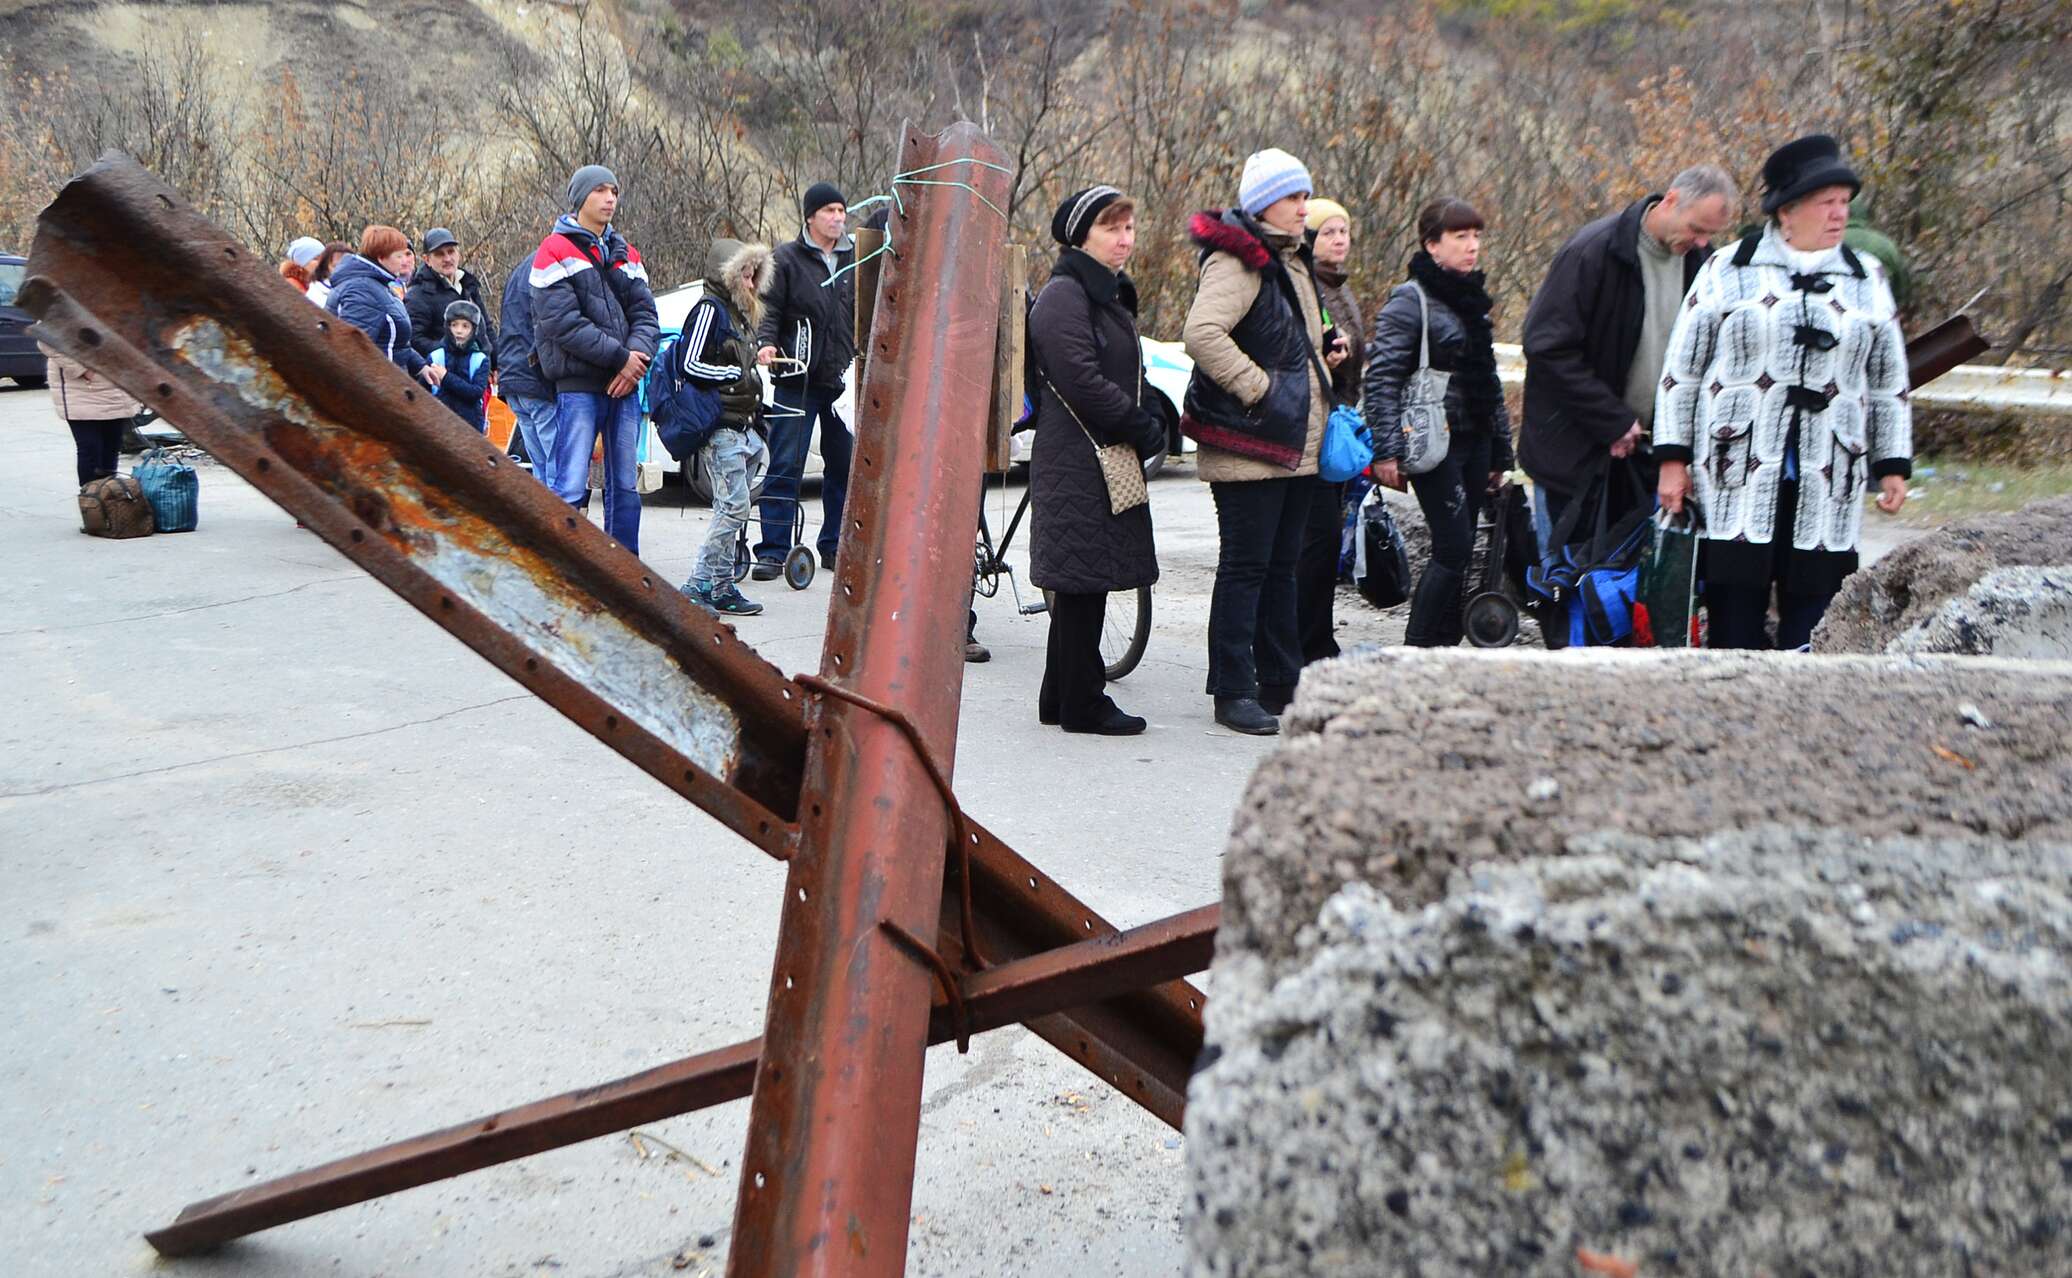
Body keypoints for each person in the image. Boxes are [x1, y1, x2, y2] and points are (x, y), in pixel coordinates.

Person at [1655, 134, 1911, 650]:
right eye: (1827, 202)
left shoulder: (1867, 278)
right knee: (1734, 611)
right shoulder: (1728, 268)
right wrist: (1672, 460)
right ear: (1787, 212)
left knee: (1815, 612)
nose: (1840, 214)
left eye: (1844, 202)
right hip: (1735, 466)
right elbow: (1682, 370)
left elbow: (1889, 381)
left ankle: (1804, 690)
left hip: (1831, 469)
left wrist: (1892, 464)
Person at [1180, 148, 1346, 736]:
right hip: (1248, 441)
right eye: (1293, 197)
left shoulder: (1290, 258)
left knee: (1282, 569)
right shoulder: (1238, 258)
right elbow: (1202, 332)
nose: (1304, 207)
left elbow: (1284, 340)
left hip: (1291, 442)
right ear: (1263, 204)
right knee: (1246, 568)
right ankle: (1232, 690)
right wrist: (1259, 389)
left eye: (1306, 195)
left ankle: (1281, 681)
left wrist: (1324, 354)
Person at [1518, 166, 1738, 539]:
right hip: (1574, 457)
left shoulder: (1704, 265)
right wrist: (1611, 419)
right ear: (1670, 200)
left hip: (1648, 463)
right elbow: (1546, 346)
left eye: (1710, 234)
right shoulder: (1593, 251)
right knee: (1567, 569)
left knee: (1630, 575)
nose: (1701, 241)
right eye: (1696, 229)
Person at [1028, 186, 1164, 736]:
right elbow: (1080, 380)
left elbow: (1127, 371)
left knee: (1083, 579)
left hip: (1094, 454)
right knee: (1082, 579)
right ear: (1080, 236)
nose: (1125, 239)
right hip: (1077, 457)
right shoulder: (1065, 295)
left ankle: (1058, 695)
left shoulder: (1104, 294)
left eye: (1129, 227)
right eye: (1112, 228)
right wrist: (1139, 424)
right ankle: (1084, 704)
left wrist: (1149, 412)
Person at [1361, 197, 1514, 647]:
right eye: (1460, 236)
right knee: (1452, 547)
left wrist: (1500, 452)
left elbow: (1488, 381)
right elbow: (1382, 377)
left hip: (1475, 437)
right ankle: (1417, 650)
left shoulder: (1473, 300)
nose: (1472, 246)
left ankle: (1443, 650)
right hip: (1431, 441)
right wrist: (1386, 450)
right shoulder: (1410, 301)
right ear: (1432, 244)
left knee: (1461, 550)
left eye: (1476, 236)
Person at [529, 164, 659, 554]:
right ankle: (563, 569)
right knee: (570, 485)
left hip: (625, 386)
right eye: (600, 190)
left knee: (625, 487)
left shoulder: (627, 253)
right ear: (580, 197)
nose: (609, 198)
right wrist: (621, 359)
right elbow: (562, 323)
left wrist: (636, 362)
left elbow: (646, 315)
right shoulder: (553, 250)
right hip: (579, 386)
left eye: (614, 191)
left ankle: (624, 570)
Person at [753, 181, 855, 580]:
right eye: (829, 210)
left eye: (841, 211)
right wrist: (766, 343)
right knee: (785, 464)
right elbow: (769, 310)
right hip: (796, 377)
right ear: (810, 216)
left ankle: (835, 546)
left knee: (844, 467)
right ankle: (773, 550)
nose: (837, 218)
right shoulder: (786, 259)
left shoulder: (857, 257)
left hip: (843, 380)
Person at [677, 237, 776, 618]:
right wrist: (733, 375)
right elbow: (689, 362)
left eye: (754, 276)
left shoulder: (739, 315)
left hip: (743, 426)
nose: (751, 284)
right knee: (734, 507)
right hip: (720, 427)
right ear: (728, 275)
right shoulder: (710, 310)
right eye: (745, 275)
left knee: (731, 507)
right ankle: (697, 584)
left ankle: (720, 586)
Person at [1295, 196, 1363, 664]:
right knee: (1316, 542)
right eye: (1328, 232)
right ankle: (1308, 641)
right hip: (1316, 425)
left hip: (1340, 423)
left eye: (1344, 232)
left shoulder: (1341, 287)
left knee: (1327, 542)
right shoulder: (1310, 286)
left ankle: (1317, 637)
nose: (1339, 240)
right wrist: (1331, 360)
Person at [325, 225, 443, 390]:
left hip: (392, 384)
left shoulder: (380, 285)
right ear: (381, 258)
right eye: (399, 256)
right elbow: (353, 351)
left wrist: (420, 366)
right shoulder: (362, 290)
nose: (404, 261)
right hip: (378, 389)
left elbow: (395, 342)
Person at [43, 342, 142, 487]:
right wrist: (81, 369)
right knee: (90, 448)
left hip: (116, 383)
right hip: (81, 388)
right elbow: (46, 340)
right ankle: (90, 495)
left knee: (111, 446)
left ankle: (108, 494)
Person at [496, 245, 558, 478]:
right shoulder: (551, 267)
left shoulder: (520, 270)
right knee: (558, 470)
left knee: (540, 469)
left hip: (513, 376)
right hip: (536, 379)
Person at [406, 227, 496, 361]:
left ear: (458, 253)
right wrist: (453, 352)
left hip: (480, 368)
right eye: (439, 254)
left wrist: (497, 362)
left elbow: (486, 327)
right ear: (427, 259)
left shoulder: (468, 284)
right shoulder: (418, 294)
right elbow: (414, 340)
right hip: (442, 370)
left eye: (451, 251)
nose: (447, 258)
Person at [429, 300, 492, 432]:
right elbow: (423, 391)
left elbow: (475, 393)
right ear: (447, 327)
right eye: (454, 325)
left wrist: (446, 377)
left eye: (465, 326)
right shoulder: (436, 357)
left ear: (474, 330)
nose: (459, 331)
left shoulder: (480, 359)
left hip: (471, 426)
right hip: (439, 425)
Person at [305, 241, 350, 309]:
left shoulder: (360, 287)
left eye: (347, 265)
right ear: (325, 267)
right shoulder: (315, 295)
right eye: (336, 266)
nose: (343, 270)